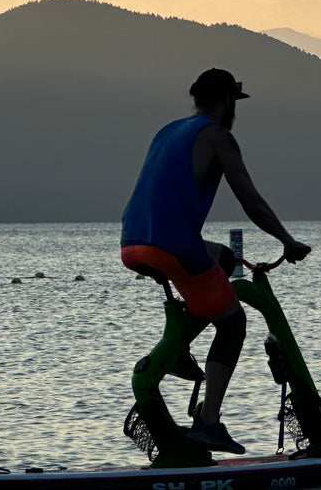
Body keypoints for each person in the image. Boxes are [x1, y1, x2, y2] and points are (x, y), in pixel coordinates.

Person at [121, 68, 311, 454]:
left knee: (223, 260)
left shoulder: (168, 131)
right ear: (226, 101)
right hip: (173, 246)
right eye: (233, 104)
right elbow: (251, 200)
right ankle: (208, 422)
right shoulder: (219, 137)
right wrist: (287, 241)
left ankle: (177, 352)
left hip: (133, 243)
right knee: (233, 323)